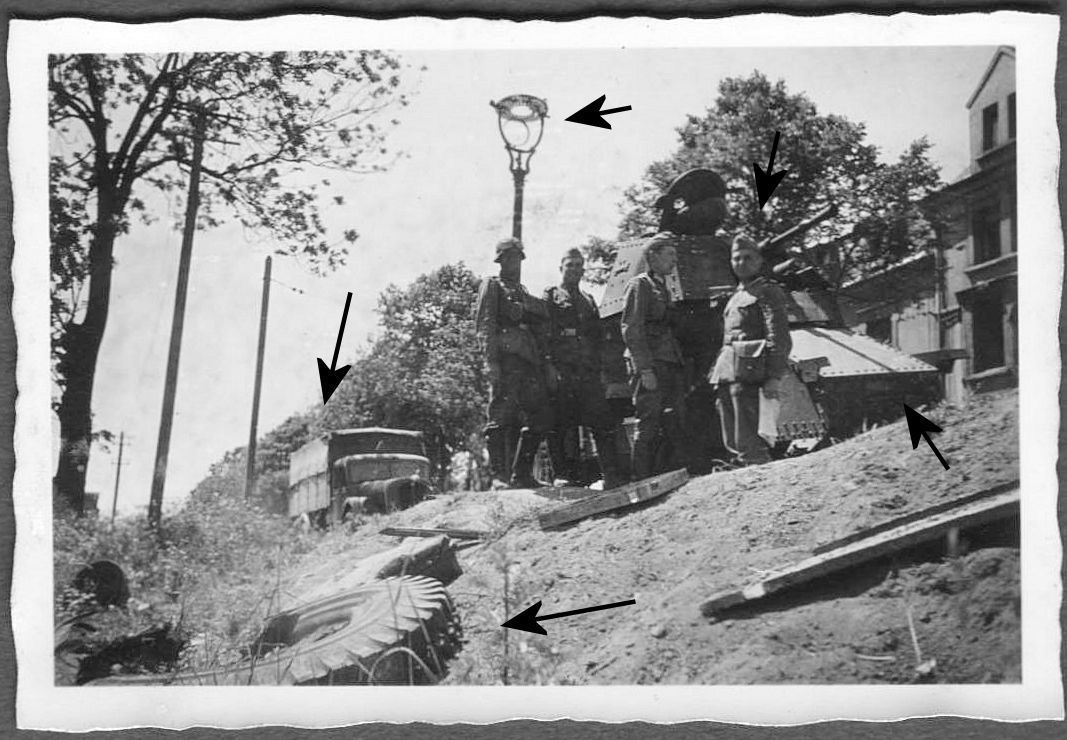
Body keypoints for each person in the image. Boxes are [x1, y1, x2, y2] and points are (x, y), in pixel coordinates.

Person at [473, 237, 554, 489]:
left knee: (539, 416)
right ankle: (499, 477)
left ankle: (522, 474)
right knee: (500, 416)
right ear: (501, 260)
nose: (515, 262)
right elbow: (484, 324)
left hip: (528, 360)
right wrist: (490, 362)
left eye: (518, 258)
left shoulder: (522, 290)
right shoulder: (493, 285)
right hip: (505, 359)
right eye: (510, 258)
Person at [543, 249, 626, 489]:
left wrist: (602, 371)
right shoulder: (551, 296)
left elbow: (598, 339)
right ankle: (563, 475)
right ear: (561, 268)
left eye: (579, 265)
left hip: (587, 372)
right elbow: (544, 334)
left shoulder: (588, 299)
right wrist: (549, 366)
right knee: (561, 424)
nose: (575, 270)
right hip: (563, 370)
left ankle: (610, 475)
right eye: (570, 265)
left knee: (602, 422)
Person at [708, 234, 793, 466]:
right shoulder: (735, 295)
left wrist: (774, 376)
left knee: (751, 434)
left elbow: (779, 336)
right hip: (728, 370)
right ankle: (741, 466)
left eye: (748, 258)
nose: (741, 263)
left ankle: (756, 468)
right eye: (736, 258)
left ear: (759, 261)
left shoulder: (767, 291)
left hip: (752, 371)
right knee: (729, 422)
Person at [620, 235, 687, 481]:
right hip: (652, 364)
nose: (675, 260)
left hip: (668, 361)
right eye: (670, 255)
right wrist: (645, 369)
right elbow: (632, 329)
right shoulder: (640, 285)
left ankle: (669, 473)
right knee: (648, 422)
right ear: (653, 256)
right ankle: (640, 479)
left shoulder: (661, 286)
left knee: (673, 418)